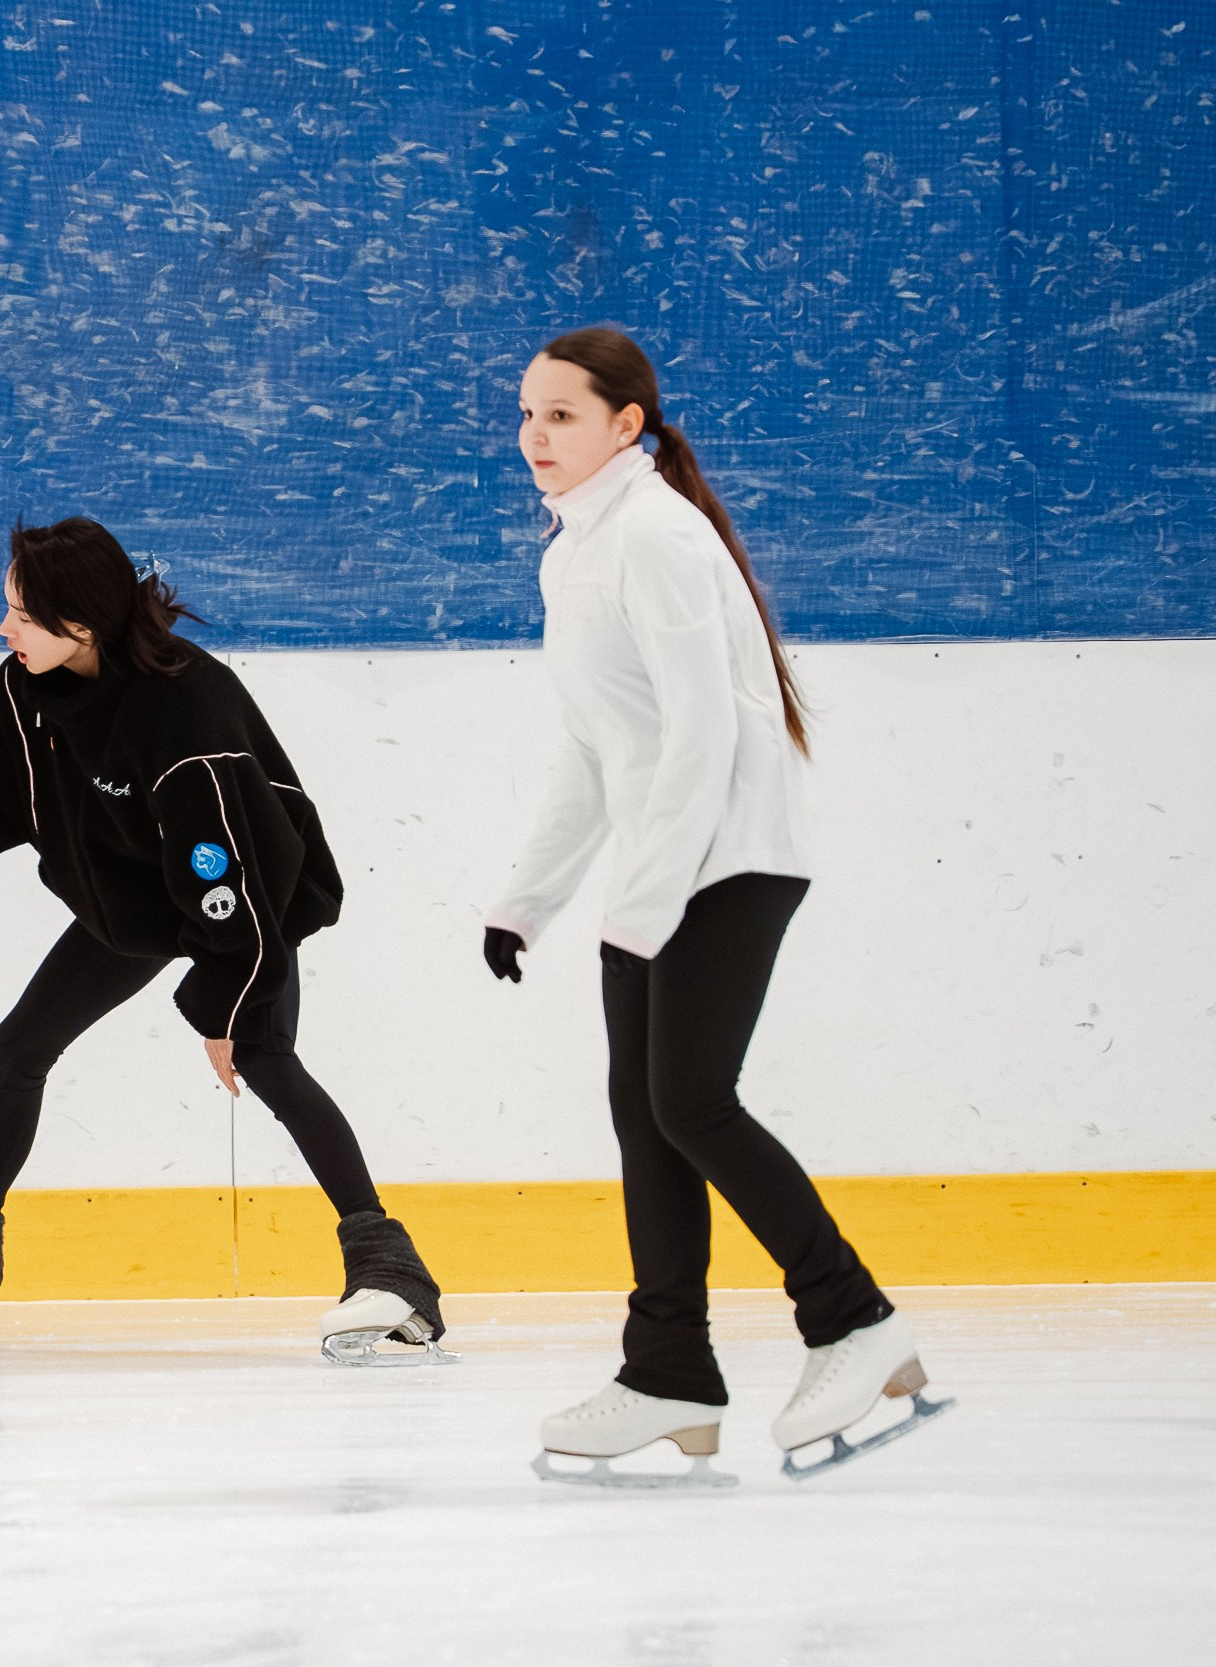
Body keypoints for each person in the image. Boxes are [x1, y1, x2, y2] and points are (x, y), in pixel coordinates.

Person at [0, 517, 446, 1363]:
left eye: (20, 614)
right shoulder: (24, 688)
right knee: (19, 1045)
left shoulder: (184, 707)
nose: (3, 628)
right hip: (133, 896)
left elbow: (226, 868)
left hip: (249, 892)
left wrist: (225, 1003)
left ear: (81, 626)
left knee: (265, 1056)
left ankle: (393, 1278)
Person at [489, 328, 950, 1483]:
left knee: (689, 1099)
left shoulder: (654, 534)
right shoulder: (573, 552)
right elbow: (598, 746)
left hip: (730, 854)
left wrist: (640, 903)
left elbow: (704, 730)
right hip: (661, 867)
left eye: (561, 415)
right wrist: (527, 900)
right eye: (527, 414)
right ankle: (669, 1373)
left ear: (625, 425)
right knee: (644, 1111)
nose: (534, 435)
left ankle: (853, 1321)